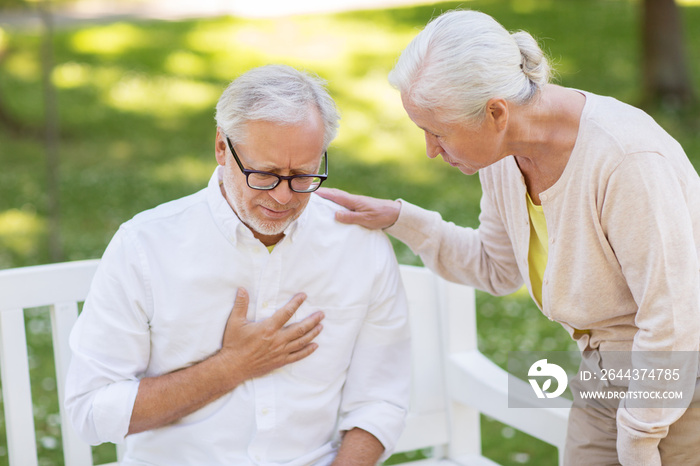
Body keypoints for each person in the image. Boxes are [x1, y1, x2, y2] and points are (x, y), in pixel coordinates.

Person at [317, 9, 700, 466]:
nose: (430, 151)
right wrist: (400, 218)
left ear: (496, 112)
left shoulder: (627, 160)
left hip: (679, 380)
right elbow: (496, 267)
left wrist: (639, 440)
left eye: (437, 132)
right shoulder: (506, 156)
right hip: (606, 373)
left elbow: (675, 321)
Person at [65, 64, 410, 466]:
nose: (283, 197)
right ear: (221, 147)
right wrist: (230, 367)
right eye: (264, 174)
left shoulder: (358, 245)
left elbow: (380, 400)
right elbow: (89, 412)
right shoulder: (145, 245)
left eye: (302, 175)